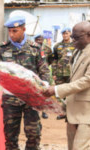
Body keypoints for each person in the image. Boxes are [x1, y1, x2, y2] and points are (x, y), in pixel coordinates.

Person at [0, 16, 50, 150]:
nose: (11, 34)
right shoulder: (3, 49)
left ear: (24, 30)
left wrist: (45, 85)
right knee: (10, 135)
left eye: (15, 31)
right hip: (11, 98)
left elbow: (44, 69)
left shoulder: (35, 48)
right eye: (9, 31)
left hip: (31, 97)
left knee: (33, 134)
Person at [42, 21, 90, 150]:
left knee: (80, 147)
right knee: (72, 147)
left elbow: (87, 80)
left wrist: (57, 90)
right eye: (72, 36)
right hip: (73, 110)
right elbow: (74, 78)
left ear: (89, 35)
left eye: (76, 37)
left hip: (87, 113)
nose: (72, 40)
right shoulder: (78, 51)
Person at [51, 27, 75, 120]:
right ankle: (62, 112)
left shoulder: (75, 45)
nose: (65, 35)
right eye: (63, 34)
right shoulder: (57, 46)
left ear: (70, 34)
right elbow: (55, 60)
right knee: (60, 93)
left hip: (71, 73)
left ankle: (70, 112)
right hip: (60, 74)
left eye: (67, 33)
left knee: (71, 93)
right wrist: (54, 73)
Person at [34, 34, 52, 119]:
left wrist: (46, 66)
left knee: (45, 92)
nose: (39, 41)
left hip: (44, 73)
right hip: (35, 74)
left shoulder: (47, 49)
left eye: (40, 39)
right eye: (37, 40)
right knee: (35, 92)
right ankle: (36, 111)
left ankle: (44, 111)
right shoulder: (32, 48)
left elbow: (51, 59)